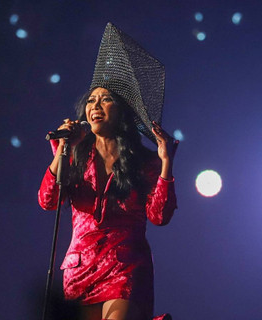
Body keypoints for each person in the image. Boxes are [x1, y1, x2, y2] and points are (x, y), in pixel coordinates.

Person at [38, 86, 178, 320]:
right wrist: (64, 148)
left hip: (125, 266)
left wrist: (166, 164)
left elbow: (160, 217)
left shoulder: (144, 162)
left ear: (122, 112)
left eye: (106, 100)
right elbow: (47, 200)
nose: (95, 105)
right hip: (80, 269)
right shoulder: (72, 153)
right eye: (91, 100)